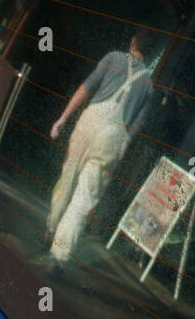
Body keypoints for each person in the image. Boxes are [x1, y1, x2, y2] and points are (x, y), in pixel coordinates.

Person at [46, 29, 157, 265]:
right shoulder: (148, 86)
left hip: (90, 120)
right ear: (150, 52)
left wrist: (63, 118)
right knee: (85, 197)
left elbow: (85, 88)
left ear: (133, 42)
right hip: (115, 136)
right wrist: (119, 150)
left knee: (67, 178)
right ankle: (59, 255)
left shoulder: (113, 58)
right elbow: (135, 129)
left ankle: (50, 229)